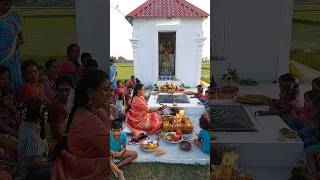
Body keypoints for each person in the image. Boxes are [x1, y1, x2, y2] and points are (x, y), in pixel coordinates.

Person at [52, 70, 109, 179]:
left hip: (84, 165)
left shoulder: (94, 110)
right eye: (105, 90)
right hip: (83, 170)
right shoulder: (88, 118)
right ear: (90, 92)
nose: (108, 94)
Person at [17, 97, 53, 180]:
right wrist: (51, 164)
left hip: (37, 161)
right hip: (29, 172)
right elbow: (32, 164)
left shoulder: (25, 123)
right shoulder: (33, 137)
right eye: (45, 113)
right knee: (54, 172)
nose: (47, 114)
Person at [0, 0, 23, 91]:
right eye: (4, 4)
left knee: (10, 77)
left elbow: (22, 39)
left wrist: (15, 45)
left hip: (11, 56)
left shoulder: (13, 18)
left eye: (9, 4)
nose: (7, 7)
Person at [47, 75, 74, 144]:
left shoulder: (68, 104)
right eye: (60, 90)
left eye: (67, 90)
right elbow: (58, 135)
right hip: (55, 145)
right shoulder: (57, 108)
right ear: (55, 91)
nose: (64, 94)